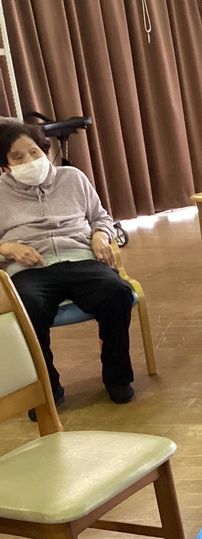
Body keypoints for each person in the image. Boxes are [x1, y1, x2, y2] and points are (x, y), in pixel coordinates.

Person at [0, 120, 136, 407]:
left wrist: (100, 235)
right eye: (18, 157)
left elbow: (101, 217)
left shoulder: (73, 178)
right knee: (26, 310)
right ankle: (48, 390)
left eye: (34, 152)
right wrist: (9, 248)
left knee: (117, 293)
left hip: (81, 257)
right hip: (30, 269)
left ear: (45, 151)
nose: (30, 161)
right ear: (6, 165)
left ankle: (117, 378)